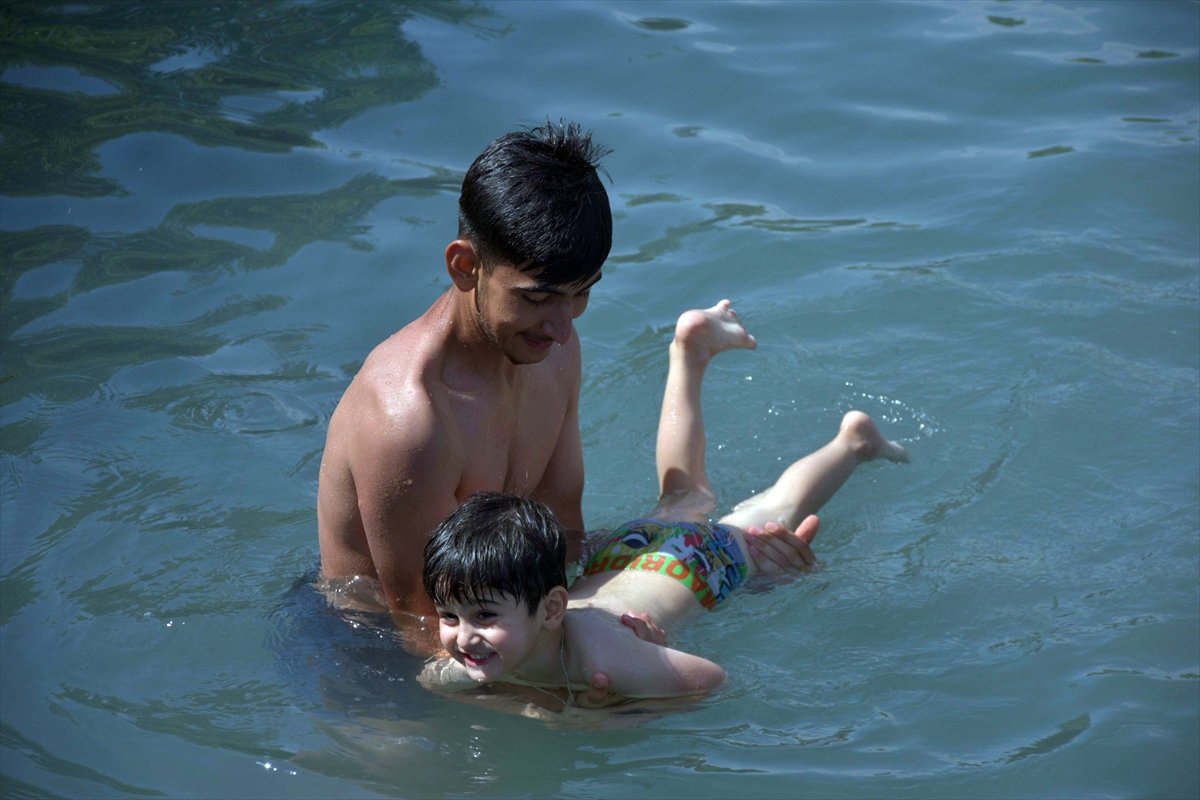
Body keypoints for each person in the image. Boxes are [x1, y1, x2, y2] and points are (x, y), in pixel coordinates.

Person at [316, 123, 816, 629]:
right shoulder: (411, 422)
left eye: (582, 293)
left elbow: (565, 541)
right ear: (465, 266)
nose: (561, 327)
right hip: (376, 651)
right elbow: (427, 628)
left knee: (700, 541)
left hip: (503, 617)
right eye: (537, 297)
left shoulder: (549, 351)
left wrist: (715, 569)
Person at [419, 301, 909, 704]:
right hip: (623, 555)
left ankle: (851, 444)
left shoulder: (603, 659)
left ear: (551, 610)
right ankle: (689, 353)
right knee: (684, 496)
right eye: (449, 616)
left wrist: (605, 718)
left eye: (484, 617)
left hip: (693, 564)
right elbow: (430, 680)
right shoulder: (476, 655)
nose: (462, 637)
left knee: (770, 516)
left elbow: (709, 681)